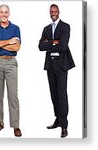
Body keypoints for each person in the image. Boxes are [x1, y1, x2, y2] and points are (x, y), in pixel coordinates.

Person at [38, 4, 75, 138]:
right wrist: (54, 42)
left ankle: (64, 126)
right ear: (49, 13)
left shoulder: (65, 27)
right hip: (50, 65)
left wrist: (50, 43)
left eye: (55, 11)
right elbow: (40, 47)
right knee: (53, 93)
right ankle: (58, 119)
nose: (53, 13)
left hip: (61, 65)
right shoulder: (46, 28)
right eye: (51, 11)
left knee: (62, 93)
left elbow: (63, 46)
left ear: (59, 12)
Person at [0, 4, 22, 137]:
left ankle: (16, 125)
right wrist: (9, 42)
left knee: (13, 95)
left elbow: (17, 47)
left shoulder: (15, 28)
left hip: (11, 63)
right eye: (1, 12)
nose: (4, 14)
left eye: (6, 12)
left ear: (9, 13)